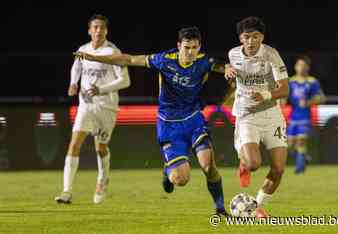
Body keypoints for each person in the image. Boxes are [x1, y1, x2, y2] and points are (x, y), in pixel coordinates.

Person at [74, 26, 231, 216]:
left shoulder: (203, 61)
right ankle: (168, 170)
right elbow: (129, 59)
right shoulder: (164, 60)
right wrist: (95, 57)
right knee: (181, 180)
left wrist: (228, 68)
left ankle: (220, 209)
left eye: (195, 47)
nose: (190, 52)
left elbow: (221, 65)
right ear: (178, 45)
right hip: (169, 125)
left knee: (208, 165)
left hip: (194, 120)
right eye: (187, 47)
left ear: (199, 47)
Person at [55, 14, 130, 204]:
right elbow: (77, 67)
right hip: (86, 105)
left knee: (100, 148)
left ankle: (102, 180)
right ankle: (66, 192)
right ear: (89, 30)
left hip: (106, 107)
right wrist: (73, 83)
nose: (98, 30)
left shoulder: (113, 52)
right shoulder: (83, 49)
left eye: (102, 27)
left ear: (106, 31)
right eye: (95, 27)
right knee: (74, 144)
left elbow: (125, 81)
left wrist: (101, 89)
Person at [225, 16, 289, 217]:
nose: (251, 41)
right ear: (240, 38)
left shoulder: (271, 55)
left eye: (255, 37)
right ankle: (243, 162)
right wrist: (227, 70)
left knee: (278, 169)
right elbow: (233, 73)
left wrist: (266, 95)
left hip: (271, 115)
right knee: (253, 164)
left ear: (262, 37)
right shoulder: (233, 54)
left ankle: (257, 206)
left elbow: (285, 89)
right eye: (246, 37)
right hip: (247, 115)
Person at [287, 55, 326, 174]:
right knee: (289, 145)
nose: (301, 68)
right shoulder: (290, 81)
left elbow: (322, 98)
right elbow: (284, 96)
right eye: (299, 65)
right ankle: (304, 157)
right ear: (295, 67)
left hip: (305, 116)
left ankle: (299, 169)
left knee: (301, 141)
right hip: (293, 116)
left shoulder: (312, 81)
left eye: (304, 66)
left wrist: (309, 102)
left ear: (308, 68)